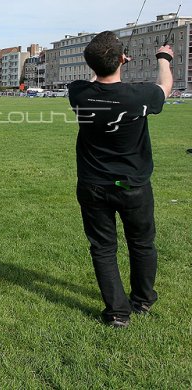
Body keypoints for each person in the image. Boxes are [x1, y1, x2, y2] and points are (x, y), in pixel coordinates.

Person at [68, 31, 173, 328]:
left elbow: (95, 77)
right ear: (122, 60)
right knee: (141, 244)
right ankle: (141, 301)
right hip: (133, 186)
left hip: (92, 185)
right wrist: (164, 58)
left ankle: (117, 313)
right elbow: (165, 86)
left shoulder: (78, 92)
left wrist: (107, 61)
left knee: (103, 247)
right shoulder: (140, 95)